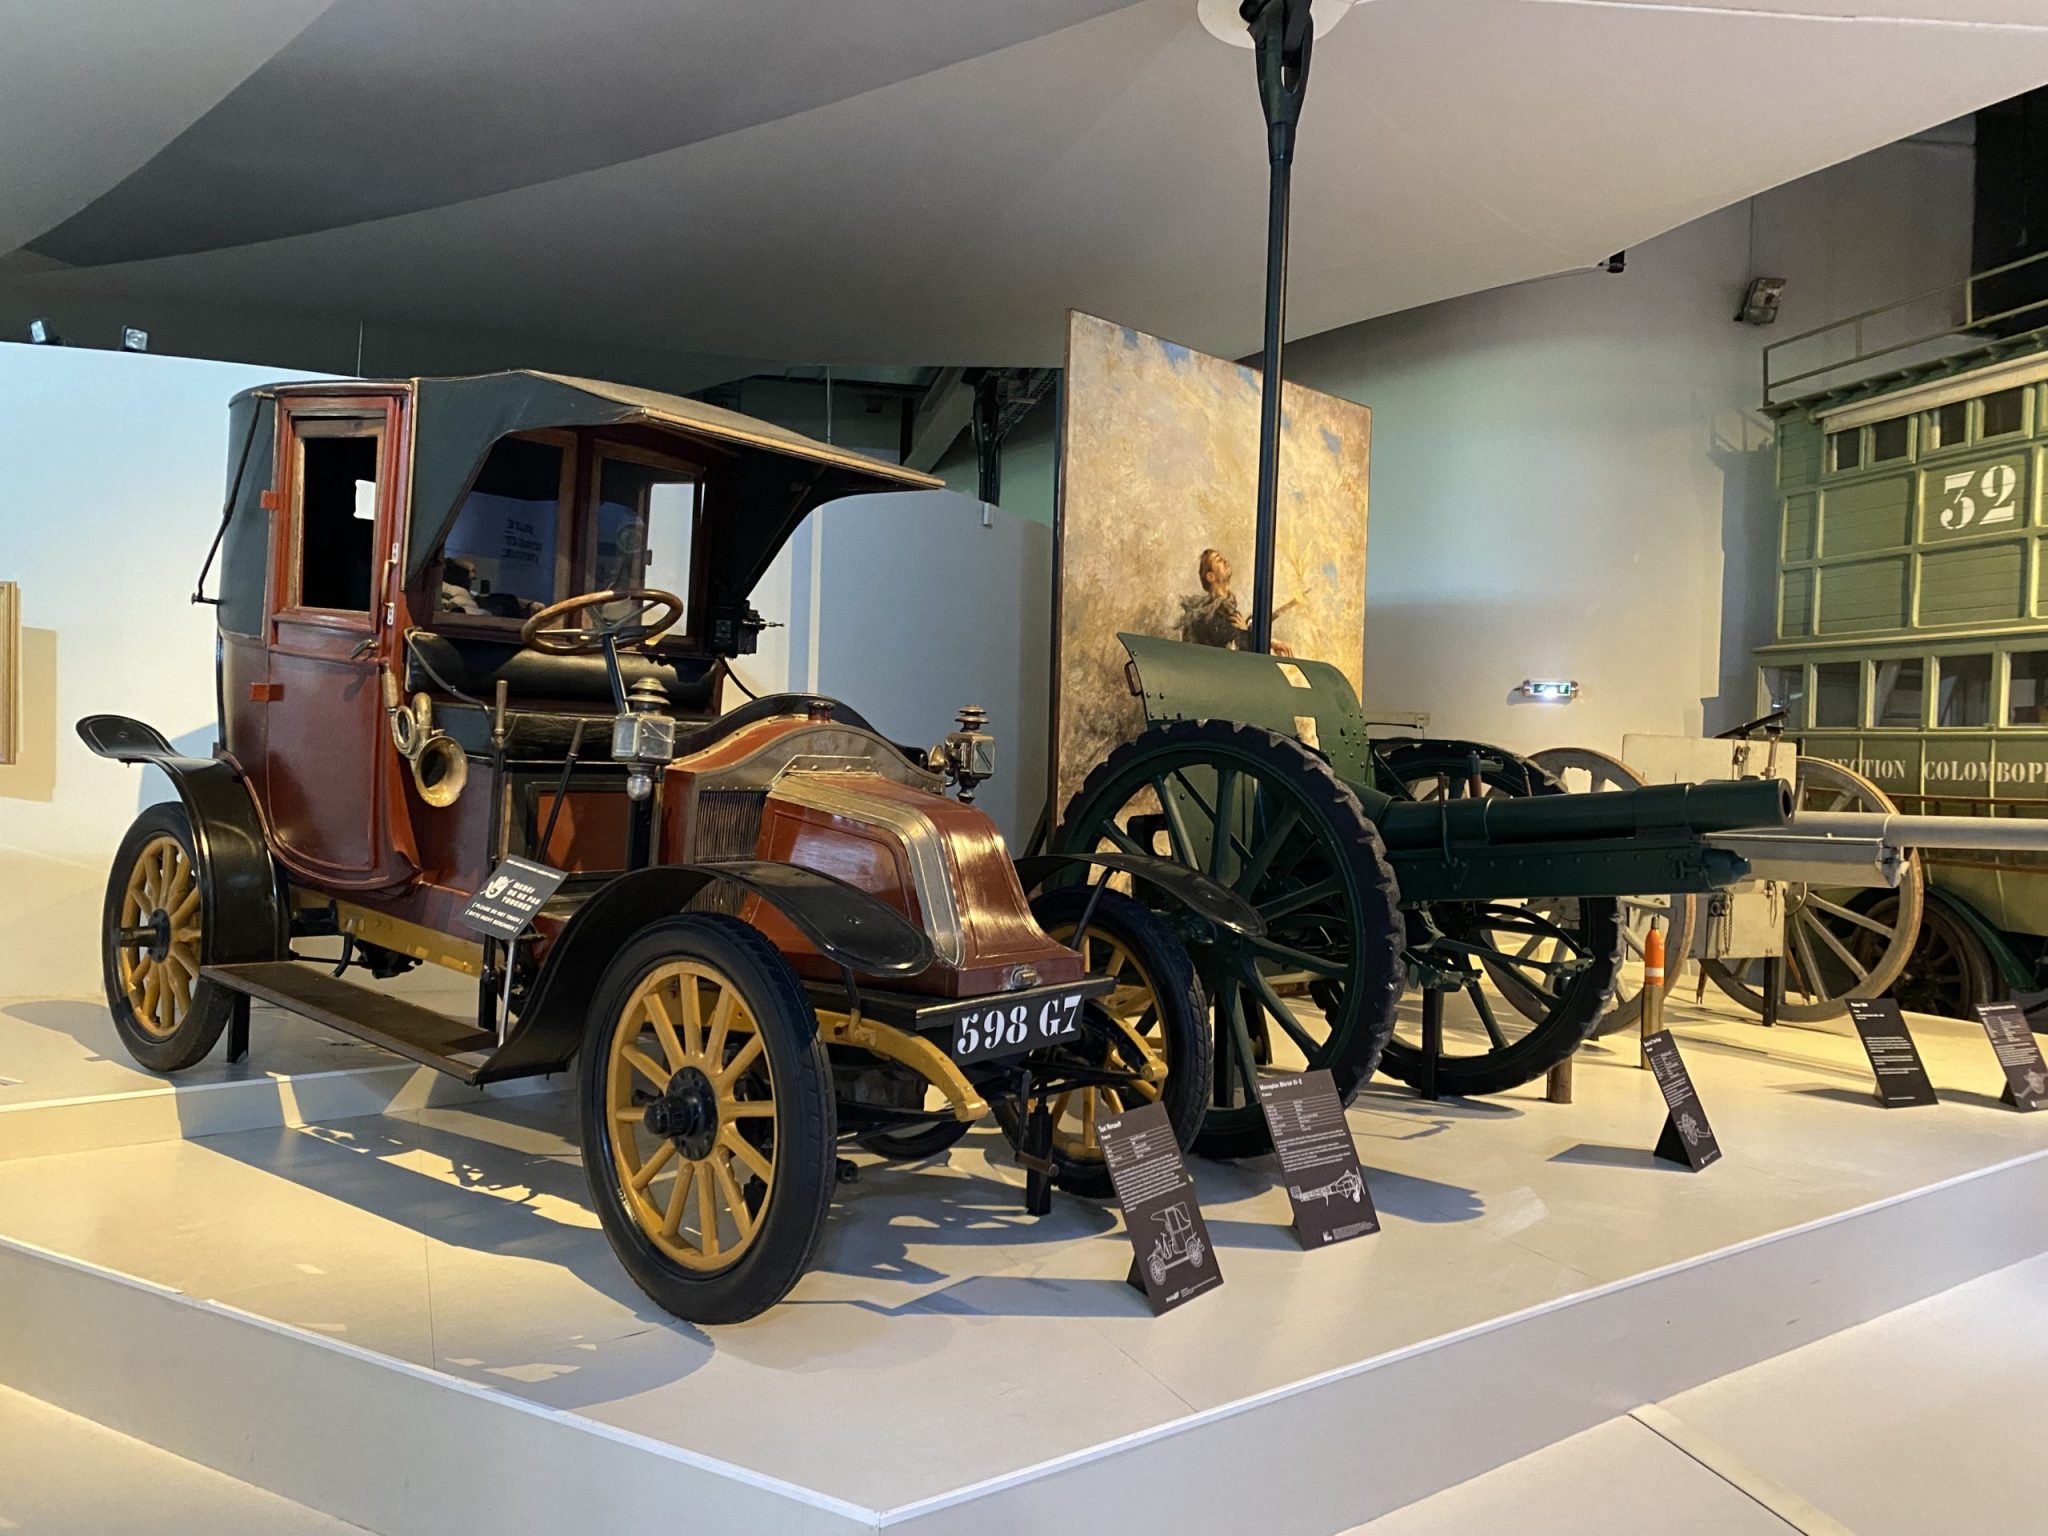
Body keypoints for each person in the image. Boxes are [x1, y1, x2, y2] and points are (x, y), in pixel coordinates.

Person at [1179, 548, 1293, 654]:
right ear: (1211, 577)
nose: (1225, 560)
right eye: (1218, 560)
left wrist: (1260, 637)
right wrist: (1249, 633)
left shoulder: (1228, 611)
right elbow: (1235, 647)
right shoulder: (1211, 614)